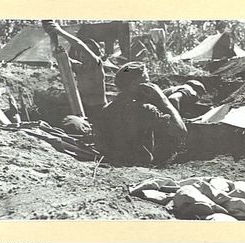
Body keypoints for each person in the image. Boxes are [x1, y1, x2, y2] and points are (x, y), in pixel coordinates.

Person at [42, 20, 187, 165]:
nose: (82, 54)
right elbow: (181, 132)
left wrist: (57, 31)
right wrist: (162, 100)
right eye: (146, 81)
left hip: (102, 121)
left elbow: (78, 48)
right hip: (137, 161)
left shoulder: (96, 71)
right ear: (138, 85)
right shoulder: (146, 110)